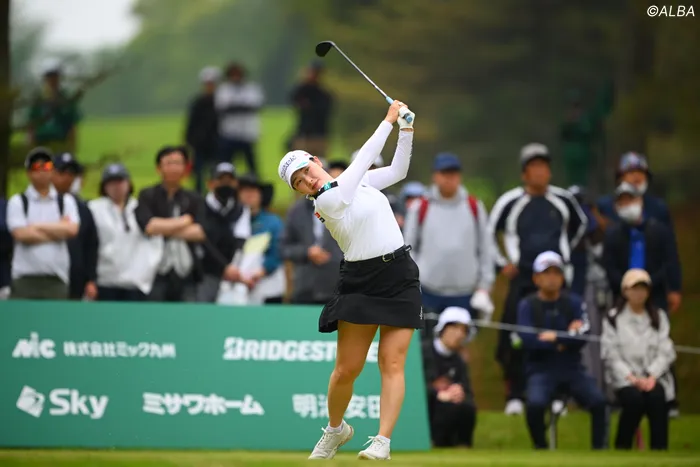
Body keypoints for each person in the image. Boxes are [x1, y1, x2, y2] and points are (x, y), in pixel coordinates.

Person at [278, 100, 419, 460]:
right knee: (346, 370)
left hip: (400, 274)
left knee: (392, 363)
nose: (307, 180)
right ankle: (335, 429)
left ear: (316, 161)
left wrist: (406, 129)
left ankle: (382, 441)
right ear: (300, 191)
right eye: (299, 182)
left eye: (306, 170)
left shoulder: (361, 183)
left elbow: (398, 170)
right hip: (361, 281)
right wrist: (387, 120)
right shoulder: (326, 202)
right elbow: (361, 162)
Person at [489, 143, 588, 415]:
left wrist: (564, 253)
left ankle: (559, 395)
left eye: (544, 167)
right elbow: (489, 232)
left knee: (560, 333)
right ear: (524, 173)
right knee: (515, 335)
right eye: (534, 167)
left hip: (557, 279)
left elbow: (580, 227)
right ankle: (515, 394)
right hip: (522, 278)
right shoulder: (511, 202)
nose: (540, 172)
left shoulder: (563, 200)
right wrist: (503, 263)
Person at [517, 251, 607, 450]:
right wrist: (566, 338)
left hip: (572, 368)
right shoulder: (527, 305)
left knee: (599, 402)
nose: (552, 278)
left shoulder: (574, 302)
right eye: (546, 273)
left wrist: (555, 337)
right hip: (540, 369)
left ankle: (599, 449)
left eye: (556, 273)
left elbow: (583, 335)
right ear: (536, 278)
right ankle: (540, 448)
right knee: (535, 405)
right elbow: (528, 340)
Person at [404, 152, 495, 341]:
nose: (449, 178)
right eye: (444, 173)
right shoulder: (420, 207)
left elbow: (485, 249)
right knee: (425, 345)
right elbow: (408, 248)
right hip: (428, 291)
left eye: (453, 173)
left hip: (465, 292)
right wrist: (412, 283)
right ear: (435, 176)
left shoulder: (474, 206)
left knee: (458, 345)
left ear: (459, 176)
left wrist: (484, 287)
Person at [597, 152, 682, 313]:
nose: (636, 176)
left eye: (640, 172)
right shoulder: (605, 207)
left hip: (654, 285)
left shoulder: (658, 208)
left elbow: (670, 252)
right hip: (619, 287)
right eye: (630, 172)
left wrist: (674, 287)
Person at [601, 269, 675, 450]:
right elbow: (611, 354)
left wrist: (651, 376)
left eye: (643, 288)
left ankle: (660, 450)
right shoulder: (613, 318)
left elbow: (666, 351)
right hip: (624, 379)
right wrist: (632, 378)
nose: (639, 293)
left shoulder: (659, 317)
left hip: (653, 378)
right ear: (625, 290)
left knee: (657, 397)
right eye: (634, 288)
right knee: (634, 401)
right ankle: (622, 447)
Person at [6, 147, 80, 299]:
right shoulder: (18, 201)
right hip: (24, 278)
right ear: (28, 173)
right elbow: (21, 234)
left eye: (46, 166)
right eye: (36, 167)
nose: (42, 171)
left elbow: (72, 230)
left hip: (57, 278)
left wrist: (36, 226)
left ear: (53, 171)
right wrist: (58, 231)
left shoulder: (65, 201)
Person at [135, 145, 206, 302]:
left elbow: (199, 232)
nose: (173, 168)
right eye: (169, 163)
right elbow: (149, 227)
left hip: (187, 272)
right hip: (155, 270)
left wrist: (163, 228)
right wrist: (184, 221)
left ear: (185, 168)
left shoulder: (194, 198)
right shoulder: (148, 195)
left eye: (178, 163)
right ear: (159, 168)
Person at [88, 164, 163, 301]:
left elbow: (156, 241)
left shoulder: (141, 207)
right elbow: (88, 244)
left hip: (135, 283)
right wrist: (90, 279)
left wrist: (146, 273)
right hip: (105, 280)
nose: (116, 186)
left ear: (128, 183)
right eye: (111, 182)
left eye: (120, 181)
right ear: (104, 186)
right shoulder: (94, 208)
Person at [281, 161, 345, 305]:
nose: (311, 181)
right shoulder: (296, 211)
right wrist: (307, 252)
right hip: (305, 289)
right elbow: (284, 248)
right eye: (300, 181)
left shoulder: (344, 204)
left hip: (340, 287)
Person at [422, 307, 478, 448]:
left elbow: (467, 390)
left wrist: (459, 392)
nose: (459, 334)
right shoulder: (422, 352)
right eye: (454, 328)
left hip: (450, 408)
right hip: (428, 406)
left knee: (468, 407)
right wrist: (438, 394)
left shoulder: (459, 361)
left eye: (464, 330)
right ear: (442, 329)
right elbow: (414, 385)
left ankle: (462, 445)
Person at [197, 162, 251, 303]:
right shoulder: (200, 206)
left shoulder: (240, 209)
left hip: (232, 273)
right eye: (221, 180)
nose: (226, 184)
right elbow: (203, 241)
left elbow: (241, 240)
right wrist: (224, 267)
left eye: (230, 180)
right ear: (210, 183)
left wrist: (232, 268)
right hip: (204, 273)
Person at [52, 152, 99, 300]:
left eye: (72, 173)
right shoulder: (39, 204)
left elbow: (91, 245)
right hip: (48, 276)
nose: (67, 178)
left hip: (76, 278)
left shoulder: (83, 209)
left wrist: (91, 279)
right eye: (62, 172)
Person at [237, 174, 285, 304]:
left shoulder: (273, 222)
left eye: (253, 190)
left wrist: (261, 272)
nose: (249, 195)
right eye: (244, 190)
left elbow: (277, 251)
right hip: (236, 286)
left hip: (268, 287)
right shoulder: (232, 222)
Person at [215, 62, 264, 175]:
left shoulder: (251, 88)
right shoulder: (224, 89)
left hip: (247, 133)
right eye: (233, 75)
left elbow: (256, 105)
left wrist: (234, 106)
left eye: (238, 75)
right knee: (226, 164)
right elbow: (221, 107)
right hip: (229, 133)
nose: (236, 78)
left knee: (251, 164)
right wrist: (242, 106)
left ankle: (254, 181)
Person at [26, 60, 82, 153]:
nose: (53, 80)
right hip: (40, 144)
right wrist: (30, 148)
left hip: (60, 144)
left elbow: (72, 127)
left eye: (55, 77)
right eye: (50, 77)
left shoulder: (66, 100)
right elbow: (31, 126)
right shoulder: (37, 100)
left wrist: (72, 150)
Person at [186, 67, 221, 193]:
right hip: (199, 143)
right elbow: (191, 123)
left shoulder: (221, 102)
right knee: (198, 172)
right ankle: (198, 195)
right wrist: (189, 141)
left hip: (217, 143)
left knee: (216, 172)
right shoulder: (198, 102)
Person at [290, 60, 334, 160]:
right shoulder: (303, 90)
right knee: (301, 162)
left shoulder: (323, 93)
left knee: (320, 162)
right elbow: (294, 97)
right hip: (304, 134)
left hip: (319, 135)